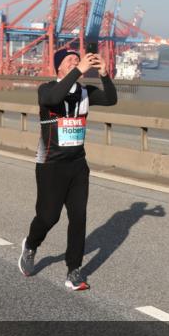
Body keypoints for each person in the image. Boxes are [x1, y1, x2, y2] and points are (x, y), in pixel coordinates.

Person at [17, 48, 117, 290]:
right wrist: (79, 69)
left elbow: (111, 99)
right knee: (48, 216)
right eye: (70, 60)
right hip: (51, 164)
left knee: (79, 217)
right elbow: (52, 100)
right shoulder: (47, 89)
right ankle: (31, 245)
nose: (76, 61)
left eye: (77, 58)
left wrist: (104, 74)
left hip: (77, 165)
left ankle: (74, 271)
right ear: (59, 68)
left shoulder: (84, 92)